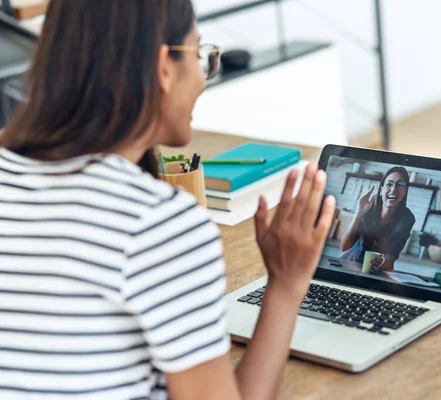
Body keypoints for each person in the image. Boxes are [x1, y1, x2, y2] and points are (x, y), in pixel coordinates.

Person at [0, 1, 335, 399]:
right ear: (163, 66)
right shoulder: (155, 224)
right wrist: (285, 281)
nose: (202, 77)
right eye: (200, 55)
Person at [340, 166, 415, 274]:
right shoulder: (368, 209)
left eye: (400, 184)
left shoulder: (407, 219)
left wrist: (380, 264)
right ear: (381, 190)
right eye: (389, 184)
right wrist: (359, 214)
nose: (393, 189)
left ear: (405, 192)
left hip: (374, 273)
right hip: (348, 266)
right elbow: (344, 247)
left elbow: (392, 258)